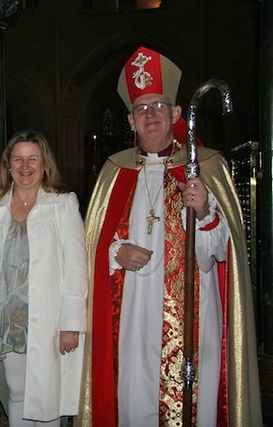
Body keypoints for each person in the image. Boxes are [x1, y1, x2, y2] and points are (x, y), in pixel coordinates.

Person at [79, 46, 262, 426]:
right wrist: (116, 253)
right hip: (130, 319)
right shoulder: (113, 173)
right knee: (132, 399)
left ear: (176, 113)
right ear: (130, 120)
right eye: (142, 109)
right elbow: (91, 248)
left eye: (159, 106)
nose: (151, 116)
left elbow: (221, 256)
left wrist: (204, 212)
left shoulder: (208, 166)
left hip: (196, 319)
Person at [0, 130, 87, 427]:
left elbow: (76, 268)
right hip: (8, 317)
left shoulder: (62, 204)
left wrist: (71, 324)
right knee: (16, 392)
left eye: (33, 159)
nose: (25, 166)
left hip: (49, 318)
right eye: (18, 159)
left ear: (45, 164)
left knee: (46, 397)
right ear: (8, 164)